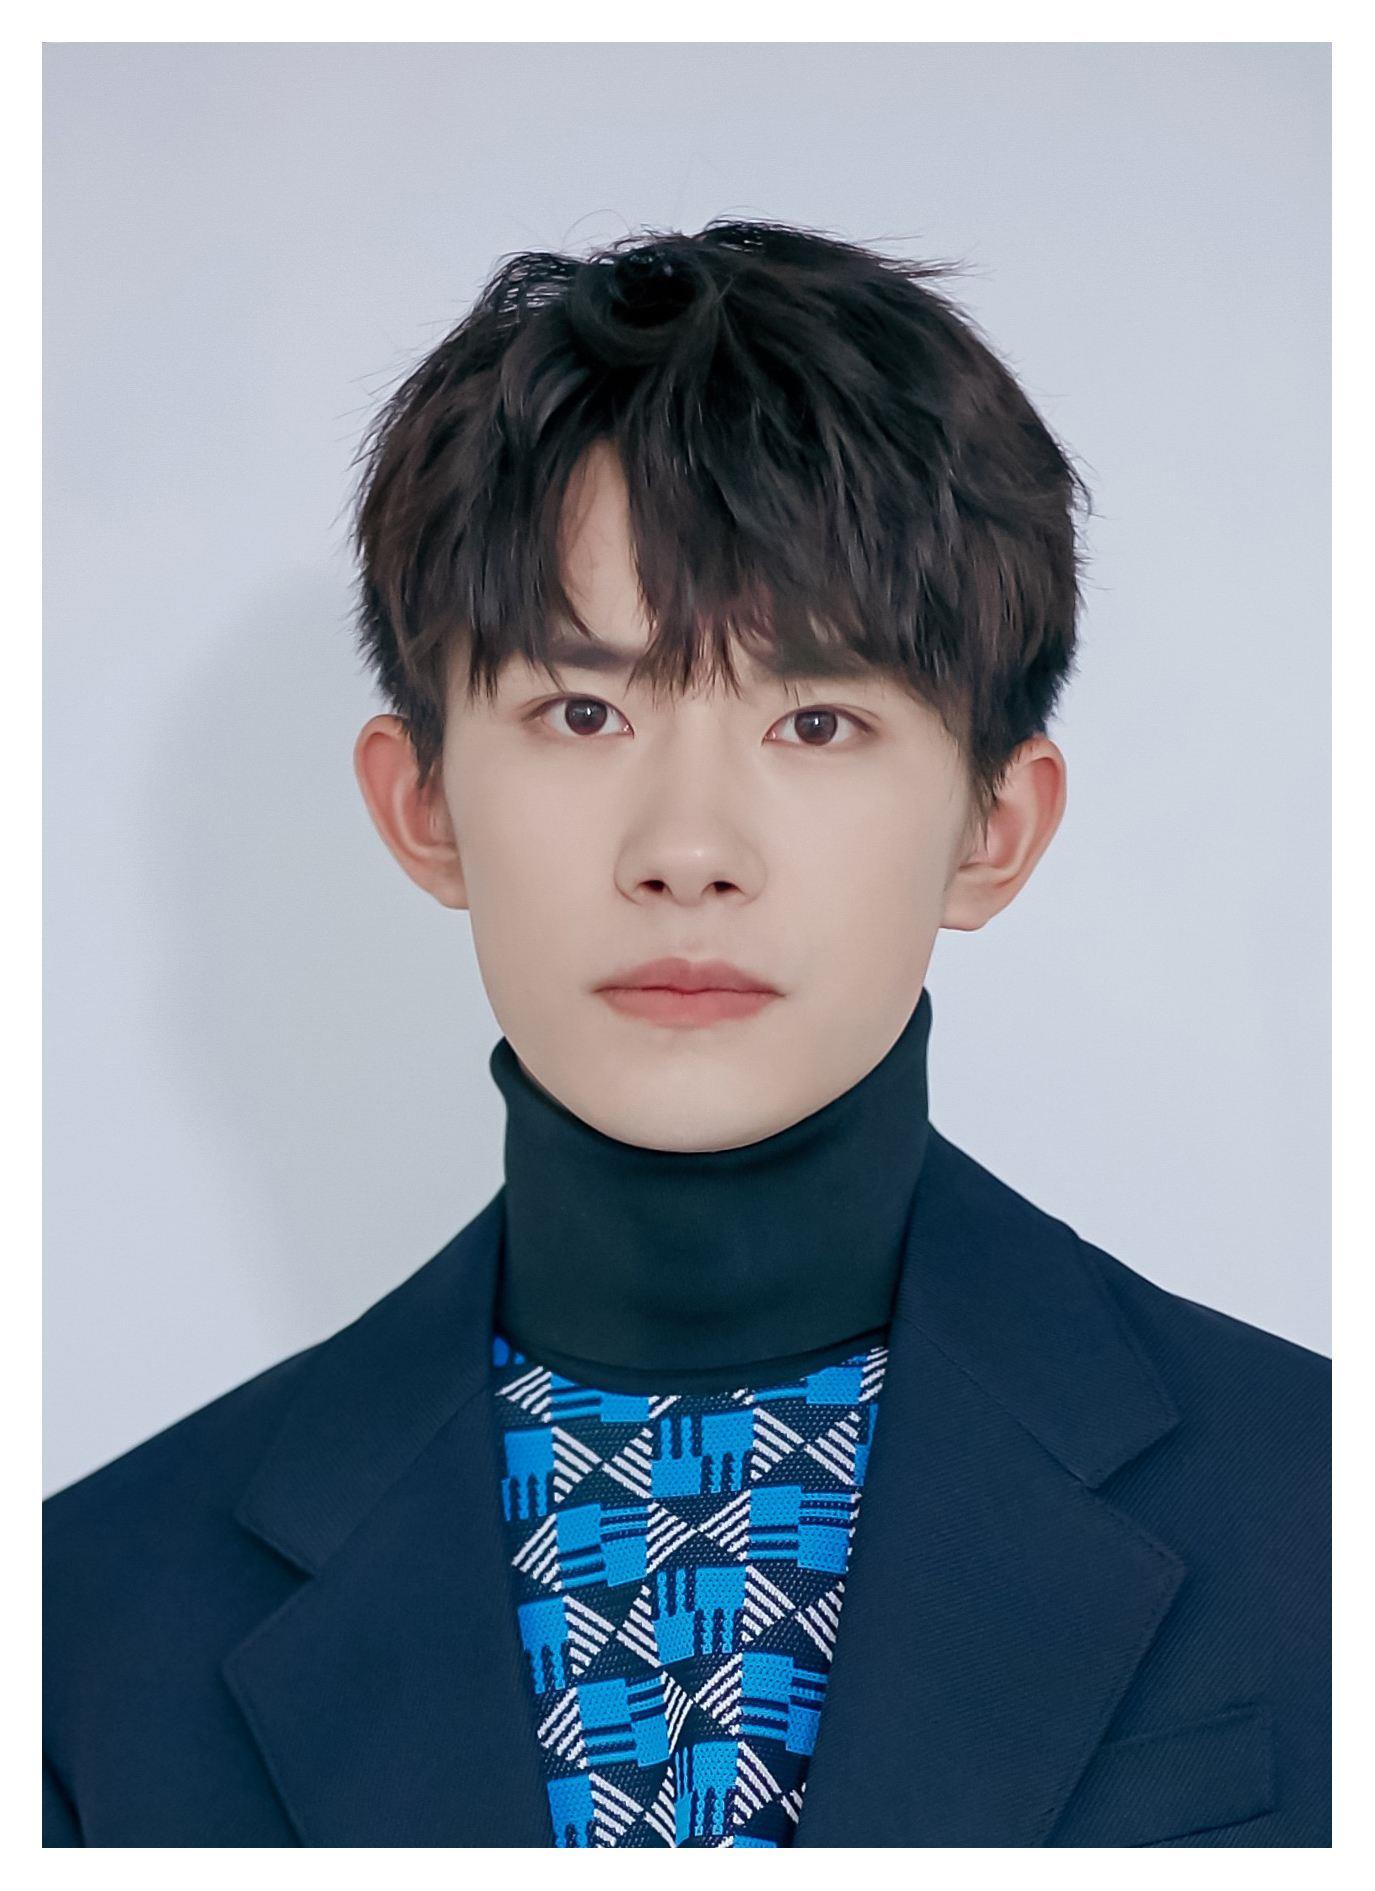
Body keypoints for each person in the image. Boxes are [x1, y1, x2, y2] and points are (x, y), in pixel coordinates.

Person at [43, 220, 1329, 1847]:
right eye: (583, 712)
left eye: (817, 720)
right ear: (422, 804)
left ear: (994, 829)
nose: (688, 848)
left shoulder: (1321, 1514)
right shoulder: (88, 1626)